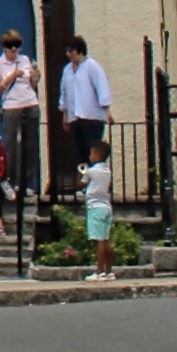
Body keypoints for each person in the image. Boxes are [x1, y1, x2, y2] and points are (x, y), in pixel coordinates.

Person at [57, 37, 112, 204]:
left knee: (93, 151)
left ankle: (98, 185)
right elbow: (64, 92)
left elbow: (101, 87)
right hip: (75, 117)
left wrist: (107, 110)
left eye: (71, 51)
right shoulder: (67, 70)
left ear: (79, 51)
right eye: (67, 51)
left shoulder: (92, 66)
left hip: (92, 117)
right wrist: (65, 115)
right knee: (80, 152)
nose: (69, 54)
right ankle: (83, 185)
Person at [0, 29, 42, 200]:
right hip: (11, 106)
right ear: (5, 47)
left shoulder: (25, 60)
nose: (14, 50)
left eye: (17, 46)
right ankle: (11, 181)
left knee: (30, 146)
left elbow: (31, 84)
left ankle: (27, 184)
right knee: (12, 145)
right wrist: (12, 75)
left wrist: (35, 77)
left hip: (30, 103)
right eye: (11, 47)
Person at [81, 139, 117, 276]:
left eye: (91, 154)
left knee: (99, 240)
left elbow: (80, 184)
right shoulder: (107, 171)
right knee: (106, 240)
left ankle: (99, 271)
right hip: (106, 206)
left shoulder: (91, 171)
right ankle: (109, 271)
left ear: (96, 154)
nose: (90, 156)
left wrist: (81, 171)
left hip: (95, 207)